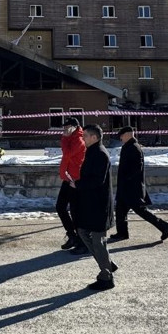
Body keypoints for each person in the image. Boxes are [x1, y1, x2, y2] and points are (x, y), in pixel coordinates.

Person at [109, 126, 168, 242]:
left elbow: (136, 168)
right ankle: (122, 233)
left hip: (132, 188)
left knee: (141, 211)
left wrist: (127, 179)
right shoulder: (128, 147)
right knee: (120, 210)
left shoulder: (134, 148)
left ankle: (163, 226)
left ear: (127, 135)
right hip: (126, 187)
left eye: (121, 136)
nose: (120, 138)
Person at [74, 124, 117, 291]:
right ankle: (106, 263)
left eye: (85, 135)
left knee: (98, 241)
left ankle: (106, 277)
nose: (82, 138)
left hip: (99, 206)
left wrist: (77, 184)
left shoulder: (100, 154)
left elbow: (96, 181)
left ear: (94, 137)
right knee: (83, 231)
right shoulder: (93, 152)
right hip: (92, 204)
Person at [56, 116, 85, 252]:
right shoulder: (71, 139)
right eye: (64, 128)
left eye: (67, 127)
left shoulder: (79, 139)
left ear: (74, 127)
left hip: (75, 179)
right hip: (68, 179)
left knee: (75, 211)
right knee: (60, 207)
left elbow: (67, 154)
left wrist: (64, 138)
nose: (65, 130)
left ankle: (81, 240)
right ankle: (72, 235)